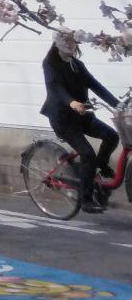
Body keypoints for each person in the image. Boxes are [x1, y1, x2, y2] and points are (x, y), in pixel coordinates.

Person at [41, 34, 121, 212]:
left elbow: (96, 85)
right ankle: (86, 200)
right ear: (57, 44)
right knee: (87, 154)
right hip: (63, 119)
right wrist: (71, 102)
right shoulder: (50, 64)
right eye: (66, 41)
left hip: (82, 116)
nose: (71, 45)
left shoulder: (77, 65)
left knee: (112, 136)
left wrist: (119, 105)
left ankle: (96, 169)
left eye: (73, 41)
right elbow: (55, 87)